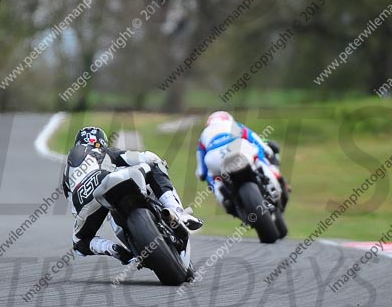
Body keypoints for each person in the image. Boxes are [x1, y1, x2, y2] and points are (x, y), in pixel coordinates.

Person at [63, 126, 203, 264]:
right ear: (101, 142)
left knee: (79, 243)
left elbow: (73, 206)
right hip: (104, 181)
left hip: (84, 201)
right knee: (153, 165)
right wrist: (160, 164)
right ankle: (178, 212)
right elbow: (144, 157)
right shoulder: (103, 151)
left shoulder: (67, 170)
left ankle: (111, 248)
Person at [195, 111, 287, 216]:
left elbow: (201, 170)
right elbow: (254, 138)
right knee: (257, 157)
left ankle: (224, 199)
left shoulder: (203, 135)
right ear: (228, 118)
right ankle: (271, 182)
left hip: (214, 159)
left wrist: (203, 175)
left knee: (214, 179)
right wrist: (266, 150)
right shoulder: (233, 125)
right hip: (239, 150)